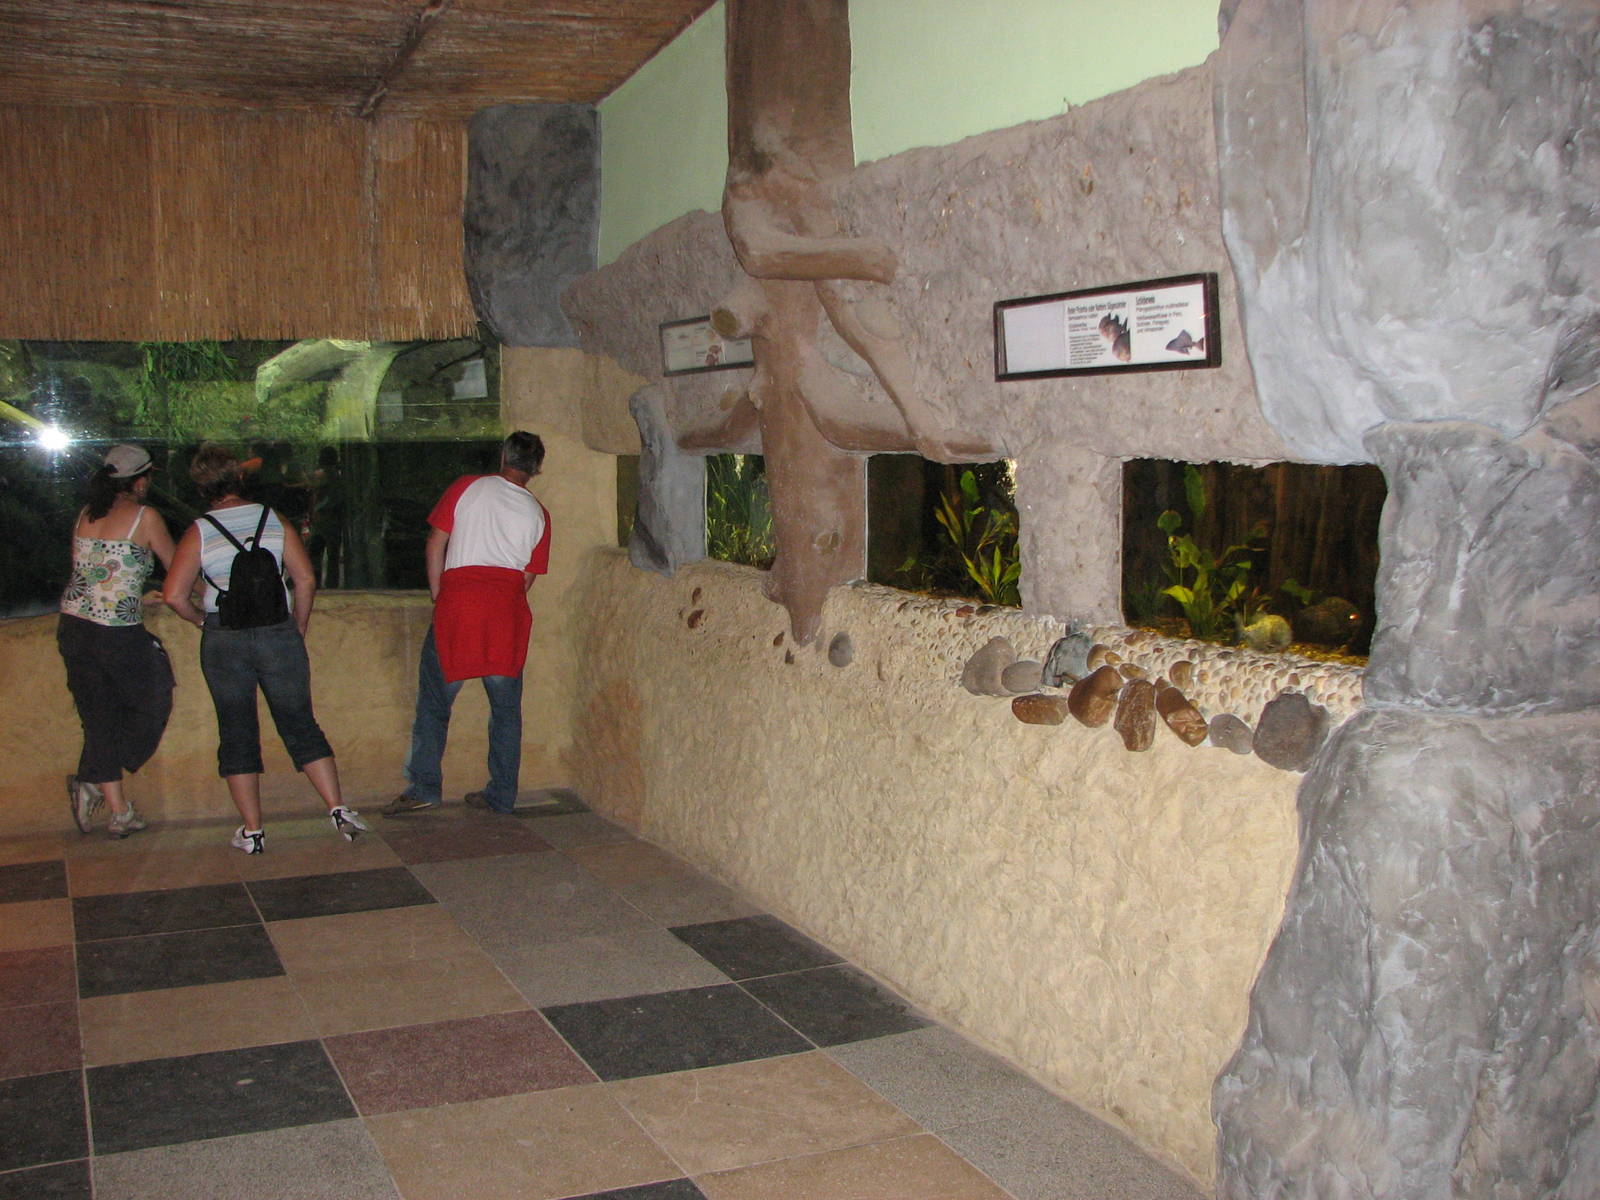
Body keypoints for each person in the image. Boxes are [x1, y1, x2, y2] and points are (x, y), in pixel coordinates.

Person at [162, 443, 368, 853]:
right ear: (240, 477)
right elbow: (305, 579)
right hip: (278, 631)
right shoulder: (272, 519)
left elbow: (173, 595)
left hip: (225, 638)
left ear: (201, 487)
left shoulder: (198, 531)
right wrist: (299, 625)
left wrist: (202, 620)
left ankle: (253, 831)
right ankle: (338, 808)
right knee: (300, 722)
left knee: (237, 730)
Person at [381, 432, 550, 817]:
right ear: (536, 468)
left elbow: (435, 542)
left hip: (459, 605)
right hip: (505, 613)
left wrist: (440, 593)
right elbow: (526, 578)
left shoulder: (467, 487)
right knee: (506, 712)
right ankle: (502, 794)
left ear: (503, 455)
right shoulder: (539, 513)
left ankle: (424, 786)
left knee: (435, 703)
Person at [58, 444, 176, 839]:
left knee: (99, 716)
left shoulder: (86, 514)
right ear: (140, 481)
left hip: (75, 627)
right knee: (152, 697)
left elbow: (96, 574)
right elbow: (179, 569)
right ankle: (101, 788)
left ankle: (114, 806)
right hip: (115, 633)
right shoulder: (146, 517)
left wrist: (134, 594)